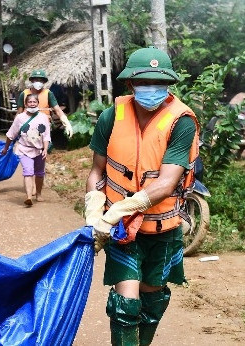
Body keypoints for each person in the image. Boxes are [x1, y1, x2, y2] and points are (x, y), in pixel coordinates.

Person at [84, 47, 199, 345]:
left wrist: (115, 212)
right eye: (144, 82)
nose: (151, 88)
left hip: (162, 230)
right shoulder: (111, 117)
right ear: (130, 84)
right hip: (123, 233)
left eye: (158, 82)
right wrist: (94, 212)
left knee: (152, 301)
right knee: (126, 305)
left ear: (168, 84)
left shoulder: (181, 121)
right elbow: (97, 171)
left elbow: (166, 183)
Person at [17, 69, 74, 196]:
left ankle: (38, 189)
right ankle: (29, 184)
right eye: (36, 80)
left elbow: (57, 110)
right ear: (31, 81)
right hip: (27, 131)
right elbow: (19, 113)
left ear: (44, 82)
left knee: (40, 159)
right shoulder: (24, 94)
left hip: (43, 131)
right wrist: (16, 129)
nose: (38, 82)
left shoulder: (49, 94)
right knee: (28, 157)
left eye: (41, 80)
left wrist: (66, 122)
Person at [1, 94, 51, 206]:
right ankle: (28, 197)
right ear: (26, 104)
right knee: (28, 172)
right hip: (24, 149)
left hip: (39, 150)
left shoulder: (43, 118)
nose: (32, 104)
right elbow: (11, 134)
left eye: (34, 102)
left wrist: (45, 149)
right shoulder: (20, 118)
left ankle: (38, 193)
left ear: (38, 103)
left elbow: (46, 136)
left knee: (39, 173)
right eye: (30, 102)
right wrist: (5, 148)